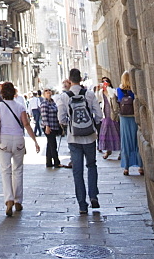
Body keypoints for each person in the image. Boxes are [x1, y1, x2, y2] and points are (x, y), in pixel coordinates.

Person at [0, 80, 40, 217]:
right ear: (14, 93)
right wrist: (35, 141)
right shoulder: (20, 107)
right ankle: (18, 200)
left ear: (2, 94)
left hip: (4, 141)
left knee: (5, 170)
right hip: (18, 140)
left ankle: (9, 200)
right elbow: (26, 124)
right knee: (18, 170)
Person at [58, 67, 103, 215]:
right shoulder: (89, 94)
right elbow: (99, 114)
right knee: (92, 165)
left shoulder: (64, 97)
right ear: (81, 79)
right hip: (90, 137)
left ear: (70, 80)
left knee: (77, 171)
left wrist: (69, 125)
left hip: (74, 138)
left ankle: (82, 205)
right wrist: (92, 125)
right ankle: (93, 195)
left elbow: (62, 118)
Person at [117, 71, 143, 176]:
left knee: (126, 142)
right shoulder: (133, 90)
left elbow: (119, 100)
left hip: (124, 119)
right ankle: (140, 166)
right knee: (136, 141)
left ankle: (126, 168)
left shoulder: (119, 90)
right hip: (133, 118)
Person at [97, 77, 120, 159]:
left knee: (116, 132)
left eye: (106, 81)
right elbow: (98, 99)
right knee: (106, 132)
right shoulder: (101, 92)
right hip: (105, 114)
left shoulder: (112, 90)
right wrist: (97, 89)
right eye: (102, 81)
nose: (104, 82)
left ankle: (120, 151)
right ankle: (108, 150)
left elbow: (112, 96)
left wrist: (107, 89)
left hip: (112, 113)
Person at [39, 88, 61, 169]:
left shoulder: (53, 102)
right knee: (53, 144)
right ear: (44, 94)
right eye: (46, 91)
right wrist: (47, 126)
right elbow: (44, 116)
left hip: (54, 125)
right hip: (48, 126)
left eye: (49, 91)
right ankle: (56, 162)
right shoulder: (44, 103)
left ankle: (48, 162)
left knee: (50, 144)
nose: (48, 92)